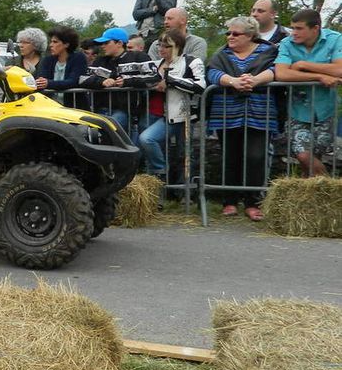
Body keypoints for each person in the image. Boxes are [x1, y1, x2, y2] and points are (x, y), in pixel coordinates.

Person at [206, 16, 278, 220]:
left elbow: (276, 71)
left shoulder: (269, 52)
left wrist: (255, 80)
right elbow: (211, 73)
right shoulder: (222, 54)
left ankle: (253, 202)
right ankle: (229, 201)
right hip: (227, 113)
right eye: (228, 32)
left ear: (250, 35)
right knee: (230, 157)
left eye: (235, 33)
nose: (230, 36)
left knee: (256, 157)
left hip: (260, 111)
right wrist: (232, 81)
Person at [272, 8, 342, 177]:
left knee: (312, 159)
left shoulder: (335, 39)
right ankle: (330, 192)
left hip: (326, 109)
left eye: (299, 28)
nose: (293, 33)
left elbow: (339, 70)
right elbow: (281, 73)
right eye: (292, 28)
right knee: (303, 155)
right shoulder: (287, 44)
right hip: (298, 111)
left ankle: (312, 200)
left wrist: (303, 64)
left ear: (315, 28)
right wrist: (319, 76)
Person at [137, 28, 206, 180]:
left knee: (184, 154)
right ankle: (159, 186)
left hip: (180, 115)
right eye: (159, 45)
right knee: (150, 145)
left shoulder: (192, 61)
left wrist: (171, 81)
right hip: (153, 112)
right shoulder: (155, 64)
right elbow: (140, 81)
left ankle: (184, 193)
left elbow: (200, 85)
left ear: (177, 46)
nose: (161, 49)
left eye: (166, 46)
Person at [77, 27, 153, 131]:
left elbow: (154, 77)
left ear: (120, 43)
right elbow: (82, 79)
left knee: (109, 129)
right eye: (101, 43)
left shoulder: (138, 57)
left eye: (106, 43)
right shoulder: (100, 61)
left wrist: (127, 82)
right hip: (99, 110)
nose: (102, 46)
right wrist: (102, 82)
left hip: (126, 112)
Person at [35, 25, 89, 107]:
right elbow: (41, 79)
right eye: (51, 41)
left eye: (55, 42)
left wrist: (48, 83)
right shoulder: (47, 60)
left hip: (74, 108)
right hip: (51, 108)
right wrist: (42, 82)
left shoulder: (79, 58)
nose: (51, 45)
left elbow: (73, 81)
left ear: (66, 44)